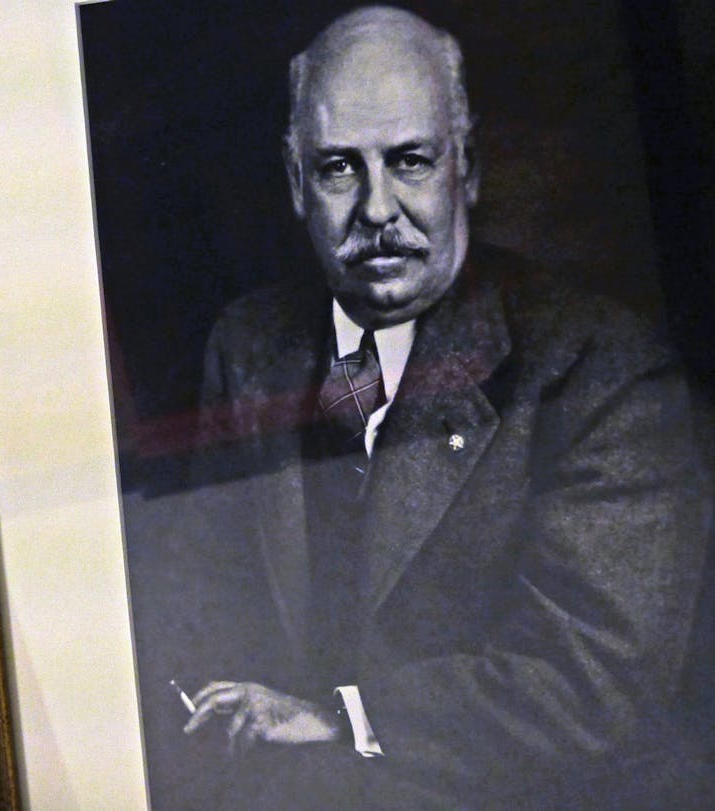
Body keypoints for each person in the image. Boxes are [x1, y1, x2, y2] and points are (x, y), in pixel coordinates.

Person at [173, 6, 710, 808]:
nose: (378, 209)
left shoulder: (605, 369)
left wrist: (342, 718)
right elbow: (192, 600)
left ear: (471, 167)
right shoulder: (247, 348)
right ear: (294, 182)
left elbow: (589, 679)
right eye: (338, 169)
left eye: (411, 161)